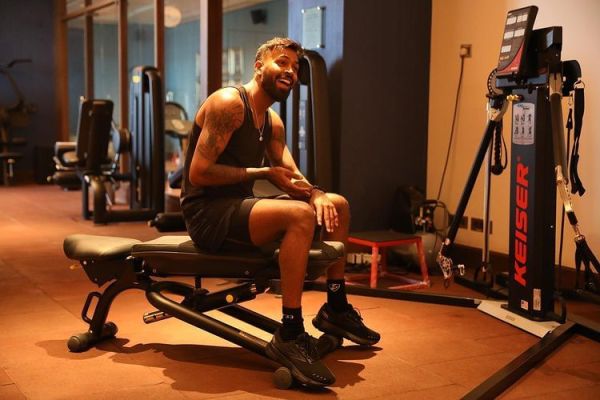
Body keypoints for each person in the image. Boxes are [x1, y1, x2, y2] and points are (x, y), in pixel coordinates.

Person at [180, 37, 379, 387]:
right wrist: (262, 174)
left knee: (337, 204)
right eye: (282, 63)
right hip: (206, 214)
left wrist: (316, 193)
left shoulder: (271, 121)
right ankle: (290, 331)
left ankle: (336, 306)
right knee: (299, 216)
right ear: (259, 67)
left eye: (295, 67)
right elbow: (199, 173)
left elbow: (289, 174)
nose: (290, 71)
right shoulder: (229, 104)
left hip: (238, 207)